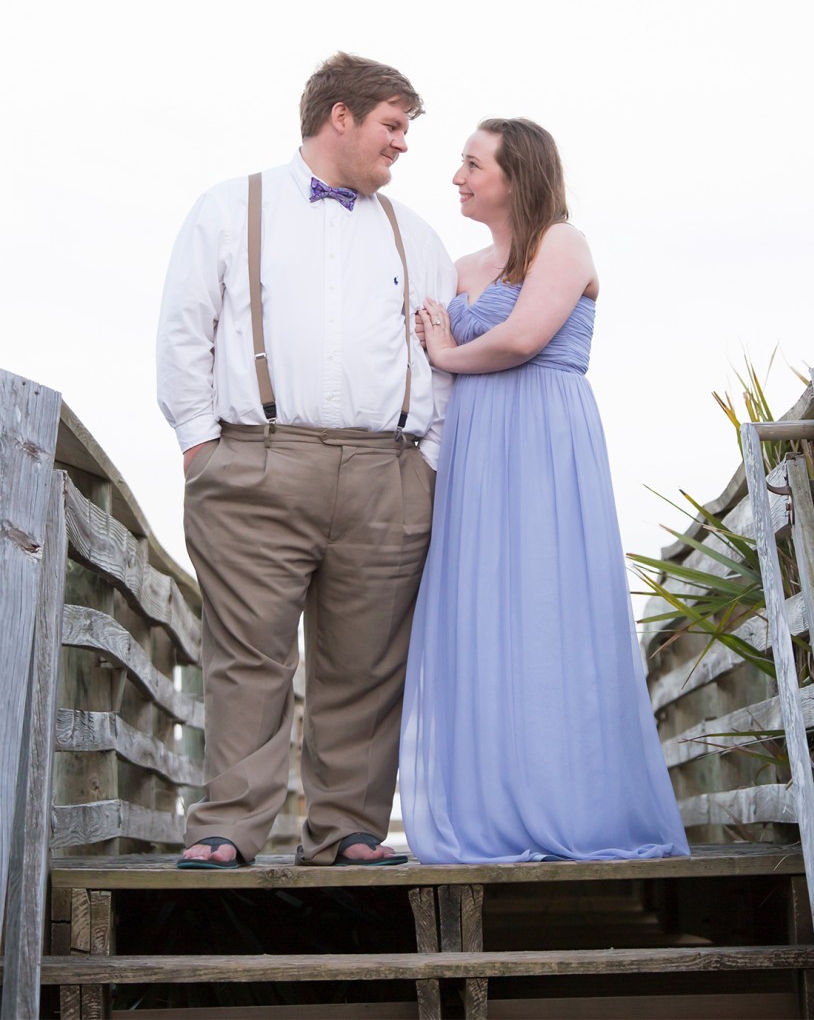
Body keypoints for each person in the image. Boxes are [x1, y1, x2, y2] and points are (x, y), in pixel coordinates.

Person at [156, 52, 456, 869]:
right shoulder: (227, 208)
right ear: (340, 117)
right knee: (249, 655)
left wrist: (425, 461)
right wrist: (200, 448)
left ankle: (347, 831)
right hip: (253, 463)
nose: (401, 147)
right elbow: (186, 330)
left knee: (365, 665)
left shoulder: (417, 236)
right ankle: (228, 827)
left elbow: (441, 361)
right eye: (392, 127)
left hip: (386, 473)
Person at [399, 118, 690, 863]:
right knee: (483, 615)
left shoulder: (562, 243)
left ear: (515, 174)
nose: (457, 177)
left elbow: (524, 338)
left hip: (544, 442)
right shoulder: (460, 267)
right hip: (476, 451)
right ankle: (492, 808)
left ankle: (575, 806)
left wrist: (443, 348)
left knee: (550, 612)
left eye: (471, 164)